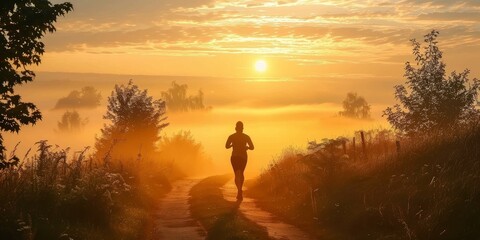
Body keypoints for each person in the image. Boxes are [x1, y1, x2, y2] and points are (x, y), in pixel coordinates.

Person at [225, 121, 254, 201]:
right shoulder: (246, 137)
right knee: (241, 173)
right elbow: (252, 147)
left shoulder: (231, 136)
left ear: (235, 128)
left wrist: (232, 145)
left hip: (234, 157)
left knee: (237, 174)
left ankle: (239, 190)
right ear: (242, 128)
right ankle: (239, 190)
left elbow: (226, 146)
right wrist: (246, 147)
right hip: (243, 157)